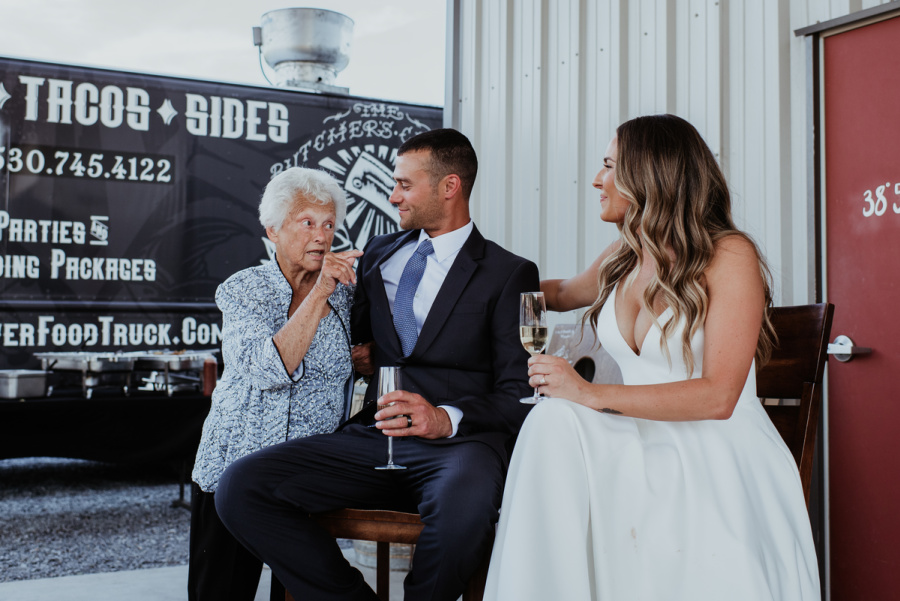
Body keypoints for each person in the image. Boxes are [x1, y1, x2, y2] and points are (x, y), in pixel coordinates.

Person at [484, 114, 821, 600]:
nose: (598, 180)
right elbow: (555, 293)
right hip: (634, 437)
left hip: (712, 446)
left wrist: (587, 393)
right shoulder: (626, 253)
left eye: (609, 166)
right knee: (552, 421)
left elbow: (719, 396)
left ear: (650, 174)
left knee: (559, 414)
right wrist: (463, 282)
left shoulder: (729, 256)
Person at [215, 128, 540, 601]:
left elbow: (520, 393)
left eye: (405, 185)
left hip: (458, 448)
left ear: (449, 187)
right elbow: (350, 334)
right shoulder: (376, 257)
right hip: (374, 439)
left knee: (464, 515)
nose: (392, 196)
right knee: (242, 487)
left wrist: (444, 418)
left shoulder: (509, 272)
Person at [188, 167, 361, 601]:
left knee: (299, 591)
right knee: (221, 591)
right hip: (231, 470)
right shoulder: (243, 290)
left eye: (328, 224)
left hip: (303, 478)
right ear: (273, 229)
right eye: (307, 223)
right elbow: (267, 368)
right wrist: (319, 293)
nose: (321, 235)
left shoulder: (346, 293)